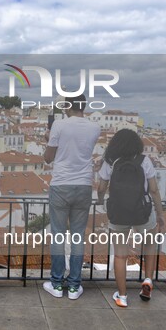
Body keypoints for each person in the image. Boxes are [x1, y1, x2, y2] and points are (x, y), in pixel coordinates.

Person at [96, 129, 164, 308]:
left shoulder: (110, 162)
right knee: (149, 245)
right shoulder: (144, 161)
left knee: (120, 255)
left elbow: (101, 187)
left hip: (118, 212)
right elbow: (154, 190)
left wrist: (101, 201)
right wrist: (160, 213)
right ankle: (148, 280)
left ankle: (123, 296)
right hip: (143, 210)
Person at [43, 95, 100, 300]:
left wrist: (48, 140)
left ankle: (57, 284)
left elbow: (48, 158)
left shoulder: (59, 125)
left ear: (67, 106)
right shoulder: (95, 128)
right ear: (83, 106)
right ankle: (75, 286)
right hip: (84, 185)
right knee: (77, 237)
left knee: (58, 234)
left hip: (61, 184)